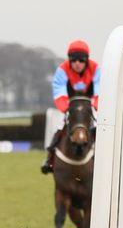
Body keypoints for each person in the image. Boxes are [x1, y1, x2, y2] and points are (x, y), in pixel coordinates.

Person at [40, 39, 100, 174]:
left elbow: (99, 90)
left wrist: (96, 105)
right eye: (73, 60)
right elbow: (59, 92)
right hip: (69, 104)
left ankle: (102, 155)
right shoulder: (62, 69)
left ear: (86, 60)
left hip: (90, 104)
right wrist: (66, 108)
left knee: (99, 125)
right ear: (69, 60)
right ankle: (49, 159)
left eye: (81, 60)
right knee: (58, 125)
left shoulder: (96, 68)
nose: (77, 64)